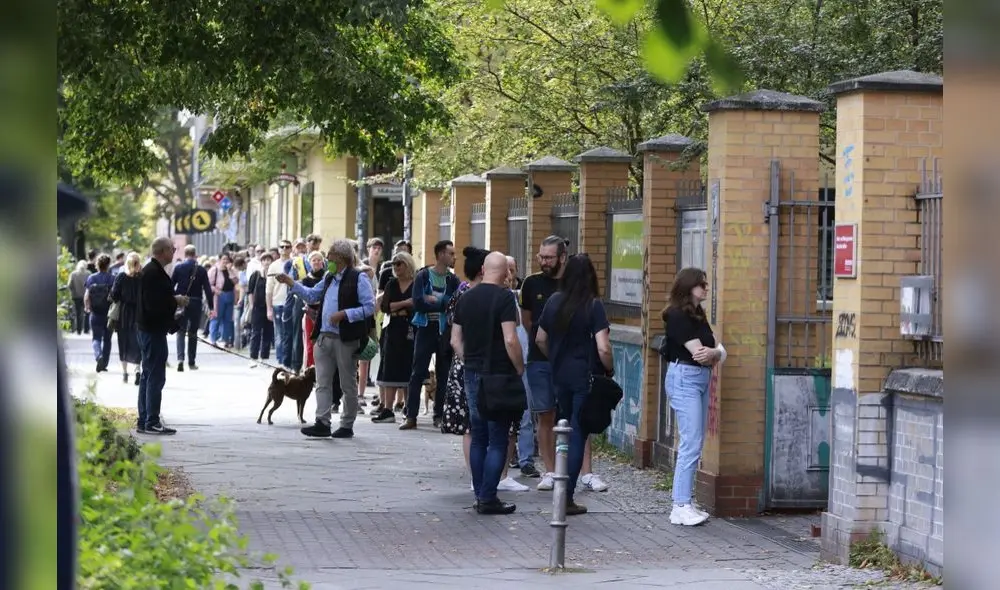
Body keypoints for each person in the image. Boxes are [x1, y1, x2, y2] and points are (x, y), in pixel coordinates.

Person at [535, 254, 614, 516]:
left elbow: (540, 338)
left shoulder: (554, 301)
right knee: (579, 431)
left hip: (559, 375)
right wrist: (609, 368)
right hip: (583, 375)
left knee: (563, 426)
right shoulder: (593, 305)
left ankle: (560, 486)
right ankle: (566, 495)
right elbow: (603, 347)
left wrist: (555, 359)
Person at [278, 238, 376, 439]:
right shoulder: (329, 277)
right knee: (322, 382)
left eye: (330, 257)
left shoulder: (358, 278)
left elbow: (369, 307)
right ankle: (322, 422)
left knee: (347, 384)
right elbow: (312, 295)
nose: (327, 261)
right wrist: (291, 283)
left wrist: (344, 314)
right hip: (324, 337)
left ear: (342, 258)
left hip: (346, 339)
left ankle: (346, 425)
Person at [451, 252, 525, 515]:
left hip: (472, 372)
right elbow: (510, 339)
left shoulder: (466, 297)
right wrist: (519, 367)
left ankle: (479, 493)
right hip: (499, 374)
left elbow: (455, 340)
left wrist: (469, 360)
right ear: (505, 273)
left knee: (478, 434)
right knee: (498, 438)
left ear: (483, 269)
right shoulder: (505, 298)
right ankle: (488, 496)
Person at [661, 267, 728, 526]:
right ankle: (680, 505)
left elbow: (716, 350)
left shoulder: (697, 314)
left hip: (699, 378)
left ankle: (685, 501)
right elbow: (702, 353)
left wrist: (715, 353)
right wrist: (715, 353)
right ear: (689, 287)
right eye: (702, 284)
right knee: (691, 441)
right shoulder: (677, 315)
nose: (706, 288)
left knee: (695, 441)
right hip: (685, 377)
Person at [519, 236, 566, 488]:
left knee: (568, 416)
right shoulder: (531, 283)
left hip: (567, 359)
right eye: (541, 257)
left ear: (562, 257)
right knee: (545, 414)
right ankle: (549, 470)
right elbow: (527, 321)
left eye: (549, 257)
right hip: (539, 360)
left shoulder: (571, 284)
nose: (544, 262)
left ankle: (571, 468)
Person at [399, 240, 460, 431]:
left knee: (444, 374)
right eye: (451, 253)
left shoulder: (453, 280)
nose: (454, 257)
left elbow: (453, 304)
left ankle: (439, 415)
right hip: (425, 329)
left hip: (444, 330)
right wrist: (440, 302)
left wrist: (433, 300)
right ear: (440, 255)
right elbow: (418, 303)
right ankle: (411, 416)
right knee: (417, 372)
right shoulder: (423, 275)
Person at [137, 237, 190, 435]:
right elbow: (154, 305)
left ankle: (145, 419)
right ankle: (151, 420)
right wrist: (175, 301)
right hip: (152, 330)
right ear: (163, 251)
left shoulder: (153, 271)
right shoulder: (153, 273)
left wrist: (173, 301)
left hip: (150, 329)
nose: (174, 252)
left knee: (148, 374)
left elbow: (157, 300)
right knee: (155, 376)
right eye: (172, 249)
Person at [371, 251, 417, 424]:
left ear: (408, 264)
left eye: (399, 263)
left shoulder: (416, 283)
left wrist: (398, 306)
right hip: (392, 328)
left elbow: (418, 304)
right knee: (389, 366)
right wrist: (405, 303)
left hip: (411, 328)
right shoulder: (391, 283)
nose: (396, 267)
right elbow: (385, 306)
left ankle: (408, 407)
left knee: (409, 366)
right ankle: (388, 409)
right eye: (394, 264)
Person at [171, 245, 214, 371]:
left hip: (181, 302)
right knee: (193, 333)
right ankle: (191, 362)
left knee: (180, 331)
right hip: (196, 302)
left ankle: (180, 360)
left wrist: (173, 300)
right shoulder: (201, 270)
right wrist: (211, 306)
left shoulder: (178, 267)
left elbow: (171, 285)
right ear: (195, 255)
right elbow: (207, 289)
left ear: (185, 254)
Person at [110, 252, 143, 384]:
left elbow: (114, 295)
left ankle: (124, 373)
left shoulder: (121, 277)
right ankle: (137, 369)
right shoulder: (142, 278)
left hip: (124, 314)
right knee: (137, 342)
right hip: (139, 314)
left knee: (123, 341)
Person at [83, 254, 115, 372]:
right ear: (108, 265)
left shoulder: (91, 278)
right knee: (107, 340)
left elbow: (87, 296)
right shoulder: (112, 278)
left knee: (96, 338)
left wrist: (87, 307)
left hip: (95, 313)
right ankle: (104, 364)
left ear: (97, 264)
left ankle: (98, 356)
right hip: (109, 314)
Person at [246, 252, 275, 368]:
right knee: (256, 332)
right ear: (261, 262)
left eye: (269, 260)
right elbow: (250, 291)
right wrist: (251, 305)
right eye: (264, 260)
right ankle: (253, 357)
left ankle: (264, 358)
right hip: (257, 307)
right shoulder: (256, 274)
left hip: (270, 307)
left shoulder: (274, 275)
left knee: (268, 332)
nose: (267, 262)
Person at [208, 253, 239, 347]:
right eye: (224, 259)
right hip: (218, 296)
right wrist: (217, 291)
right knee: (216, 317)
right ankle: (213, 339)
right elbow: (208, 284)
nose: (225, 261)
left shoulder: (232, 270)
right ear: (219, 260)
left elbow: (236, 281)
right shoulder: (214, 270)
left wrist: (230, 271)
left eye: (227, 259)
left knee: (228, 319)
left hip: (230, 295)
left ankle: (226, 339)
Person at [67, 260, 90, 335]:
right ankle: (86, 329)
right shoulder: (88, 274)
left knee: (78, 313)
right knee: (87, 312)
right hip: (86, 296)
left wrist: (73, 291)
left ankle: (79, 330)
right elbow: (91, 285)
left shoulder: (73, 274)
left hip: (76, 296)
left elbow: (69, 285)